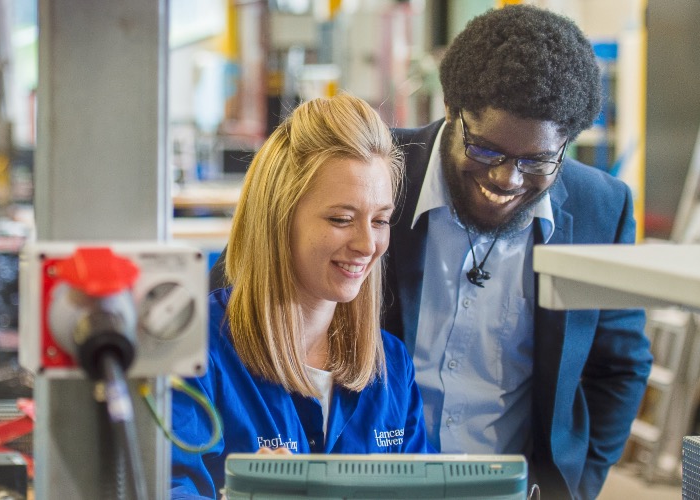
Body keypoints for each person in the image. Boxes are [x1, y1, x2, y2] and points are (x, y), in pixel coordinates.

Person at [381, 5, 652, 499]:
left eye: (537, 160)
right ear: (450, 109)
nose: (506, 179)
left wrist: (575, 485)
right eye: (485, 149)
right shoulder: (374, 174)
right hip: (371, 485)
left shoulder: (600, 211)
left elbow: (619, 366)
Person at [171, 93, 433, 499]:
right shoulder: (193, 350)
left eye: (380, 220)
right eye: (341, 219)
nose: (368, 244)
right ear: (278, 218)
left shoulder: (391, 366)